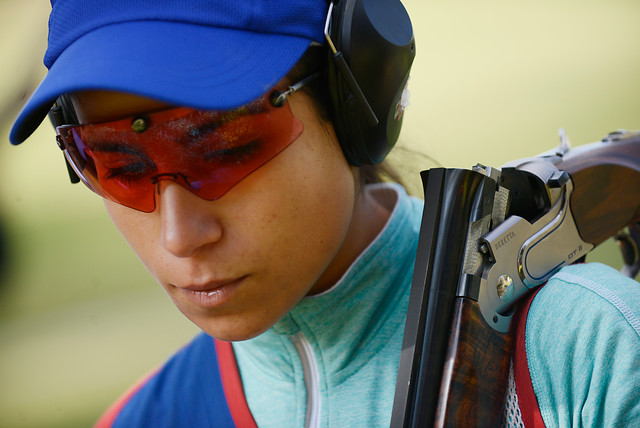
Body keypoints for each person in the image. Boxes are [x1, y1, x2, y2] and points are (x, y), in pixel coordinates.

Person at [8, 1, 640, 427]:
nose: (179, 235)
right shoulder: (146, 416)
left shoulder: (590, 351)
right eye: (114, 163)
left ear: (357, 98)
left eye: (225, 148)